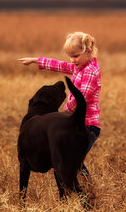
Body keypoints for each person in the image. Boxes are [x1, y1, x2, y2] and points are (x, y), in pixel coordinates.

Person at [18, 32, 101, 177]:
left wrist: (63, 115)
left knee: (72, 160)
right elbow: (59, 65)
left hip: (86, 125)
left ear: (88, 52)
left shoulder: (90, 72)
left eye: (75, 56)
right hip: (74, 121)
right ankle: (85, 191)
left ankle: (88, 190)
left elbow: (82, 98)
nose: (72, 60)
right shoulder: (79, 67)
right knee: (71, 159)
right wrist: (36, 60)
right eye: (70, 56)